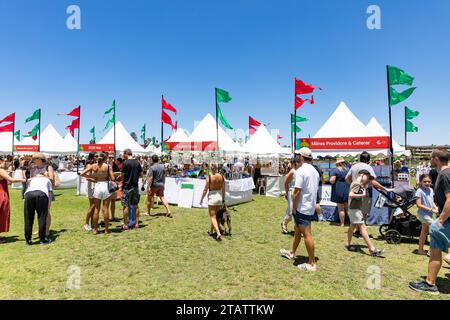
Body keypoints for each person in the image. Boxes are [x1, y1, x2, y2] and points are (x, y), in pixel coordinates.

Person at [410, 149, 450, 295]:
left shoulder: (445, 175)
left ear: (437, 158)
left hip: (446, 220)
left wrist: (440, 220)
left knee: (435, 251)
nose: (430, 160)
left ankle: (430, 284)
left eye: (431, 157)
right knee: (435, 250)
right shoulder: (444, 174)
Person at [280, 147, 320, 272]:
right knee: (297, 230)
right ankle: (292, 252)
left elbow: (297, 192)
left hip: (302, 207)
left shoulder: (301, 171)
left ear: (302, 157)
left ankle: (312, 263)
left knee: (306, 234)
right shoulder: (315, 171)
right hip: (309, 205)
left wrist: (294, 208)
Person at [346, 152, 392, 236]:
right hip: (365, 192)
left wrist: (353, 185)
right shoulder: (368, 167)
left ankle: (358, 230)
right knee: (364, 212)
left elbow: (347, 178)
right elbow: (373, 181)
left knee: (356, 211)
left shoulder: (354, 166)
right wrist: (384, 188)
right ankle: (361, 231)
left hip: (354, 192)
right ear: (368, 160)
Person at [345, 170, 384, 256]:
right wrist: (362, 195)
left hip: (354, 209)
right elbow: (351, 194)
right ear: (362, 175)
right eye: (367, 177)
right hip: (355, 209)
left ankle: (348, 244)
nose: (368, 180)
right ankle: (372, 249)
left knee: (352, 226)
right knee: (363, 227)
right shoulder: (357, 184)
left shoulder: (358, 184)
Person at [81, 153, 115, 234]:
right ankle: (106, 229)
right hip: (105, 186)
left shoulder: (93, 166)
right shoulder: (108, 166)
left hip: (97, 185)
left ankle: (95, 229)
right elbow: (113, 178)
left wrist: (93, 178)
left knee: (96, 209)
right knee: (105, 208)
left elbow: (82, 174)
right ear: (105, 158)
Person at [24, 153, 54, 245]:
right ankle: (42, 239)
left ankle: (30, 239)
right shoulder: (33, 168)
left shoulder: (48, 167)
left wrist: (44, 175)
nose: (33, 160)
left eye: (35, 158)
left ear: (41, 159)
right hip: (40, 192)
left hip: (35, 192)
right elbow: (31, 178)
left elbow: (52, 179)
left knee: (31, 217)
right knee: (41, 216)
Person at [0, 156, 26, 243]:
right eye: (4, 161)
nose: (6, 163)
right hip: (2, 194)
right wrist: (24, 180)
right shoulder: (1, 170)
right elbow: (11, 180)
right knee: (2, 214)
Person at [200, 164, 226, 241]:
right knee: (215, 216)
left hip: (212, 197)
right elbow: (224, 189)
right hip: (219, 197)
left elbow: (205, 190)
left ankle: (218, 233)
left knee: (212, 217)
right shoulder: (221, 176)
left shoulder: (209, 177)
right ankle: (211, 231)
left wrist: (201, 199)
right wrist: (223, 199)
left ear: (211, 169)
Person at [415, 174, 439, 256]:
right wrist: (431, 209)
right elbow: (418, 205)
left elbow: (431, 201)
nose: (427, 183)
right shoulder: (419, 191)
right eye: (424, 181)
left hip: (430, 214)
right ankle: (430, 251)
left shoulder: (431, 190)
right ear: (420, 182)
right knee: (435, 228)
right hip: (423, 214)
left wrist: (435, 208)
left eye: (429, 181)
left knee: (424, 232)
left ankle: (420, 250)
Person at [121, 149, 143, 230]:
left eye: (123, 154)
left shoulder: (125, 163)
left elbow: (122, 175)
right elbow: (141, 174)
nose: (123, 156)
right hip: (135, 186)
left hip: (127, 187)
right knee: (135, 206)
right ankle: (136, 224)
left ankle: (126, 224)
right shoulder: (137, 162)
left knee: (125, 206)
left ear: (126, 154)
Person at [281, 156, 301, 234]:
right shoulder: (293, 171)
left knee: (295, 210)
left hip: (297, 192)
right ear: (296, 163)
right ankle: (284, 223)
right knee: (291, 211)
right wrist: (286, 192)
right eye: (299, 163)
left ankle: (297, 228)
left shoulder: (299, 171)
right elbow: (286, 182)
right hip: (291, 191)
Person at [330, 158, 350, 226]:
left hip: (339, 190)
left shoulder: (335, 170)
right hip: (347, 189)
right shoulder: (348, 170)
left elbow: (332, 180)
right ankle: (352, 223)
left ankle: (342, 223)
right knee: (348, 208)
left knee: (341, 208)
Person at [80, 152, 97, 231]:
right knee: (93, 205)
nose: (97, 157)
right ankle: (86, 223)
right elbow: (83, 174)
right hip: (90, 186)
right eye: (96, 156)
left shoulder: (94, 164)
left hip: (94, 185)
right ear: (92, 157)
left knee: (94, 205)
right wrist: (90, 178)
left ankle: (92, 223)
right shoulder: (89, 165)